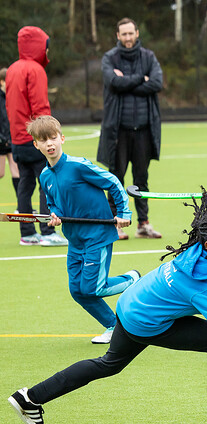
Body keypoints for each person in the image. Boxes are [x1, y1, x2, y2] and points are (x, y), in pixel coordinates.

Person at [8, 191, 207, 424]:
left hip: (131, 304)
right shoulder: (202, 283)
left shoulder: (205, 257)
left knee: (108, 364)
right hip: (146, 320)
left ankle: (30, 397)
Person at [30, 115, 139, 344]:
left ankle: (132, 279)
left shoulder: (78, 166)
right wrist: (55, 214)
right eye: (43, 140)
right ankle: (114, 326)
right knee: (77, 291)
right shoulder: (45, 175)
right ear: (36, 144)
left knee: (92, 289)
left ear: (62, 138)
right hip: (75, 239)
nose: (49, 144)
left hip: (97, 236)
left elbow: (113, 183)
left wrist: (124, 213)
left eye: (53, 138)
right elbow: (53, 202)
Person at [96, 17, 164, 241]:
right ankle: (114, 223)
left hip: (143, 130)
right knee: (116, 178)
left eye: (130, 33)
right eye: (123, 34)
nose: (127, 38)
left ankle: (143, 224)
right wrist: (139, 80)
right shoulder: (109, 58)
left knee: (141, 179)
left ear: (137, 33)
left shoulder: (148, 56)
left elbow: (156, 83)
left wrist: (127, 81)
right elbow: (113, 83)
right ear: (117, 35)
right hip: (118, 131)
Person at [5, 26, 67, 247]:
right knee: (46, 184)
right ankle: (47, 232)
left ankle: (27, 233)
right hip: (35, 139)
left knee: (25, 184)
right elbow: (40, 108)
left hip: (17, 139)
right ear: (40, 47)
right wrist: (50, 136)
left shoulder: (12, 69)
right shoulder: (35, 70)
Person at [0, 68, 21, 197]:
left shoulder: (12, 95)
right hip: (1, 140)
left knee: (17, 172)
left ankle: (21, 206)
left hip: (11, 139)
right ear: (2, 81)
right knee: (1, 173)